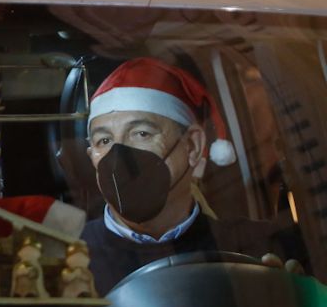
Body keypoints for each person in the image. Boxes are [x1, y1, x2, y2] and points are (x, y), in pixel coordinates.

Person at [80, 57, 299, 292]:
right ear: (92, 155)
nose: (118, 154)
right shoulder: (66, 259)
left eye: (141, 133)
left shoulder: (261, 247)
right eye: (104, 140)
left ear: (193, 146)